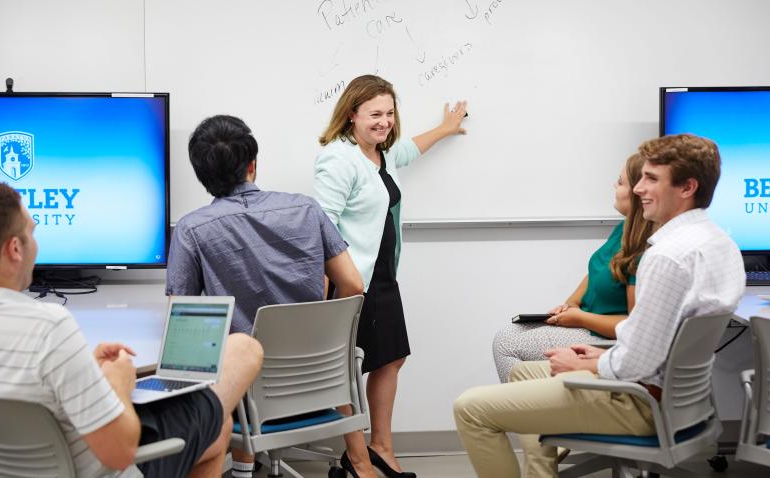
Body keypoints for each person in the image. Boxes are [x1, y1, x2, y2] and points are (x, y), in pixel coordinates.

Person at [453, 134, 746, 478]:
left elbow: (636, 362)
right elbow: (656, 340)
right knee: (520, 373)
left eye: (651, 179)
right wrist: (597, 357)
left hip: (638, 402)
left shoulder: (666, 256)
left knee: (470, 409)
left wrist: (594, 363)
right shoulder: (719, 244)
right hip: (681, 401)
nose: (638, 189)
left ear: (687, 188)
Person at [0, 181, 264, 478]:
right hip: (99, 468)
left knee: (215, 424)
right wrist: (119, 384)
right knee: (235, 377)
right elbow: (120, 453)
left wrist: (84, 368)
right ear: (15, 249)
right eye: (33, 233)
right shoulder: (50, 326)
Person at [166, 114, 365, 478]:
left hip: (247, 394)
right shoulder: (306, 209)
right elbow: (352, 285)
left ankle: (242, 469)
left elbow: (184, 323)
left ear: (202, 176)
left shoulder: (192, 230)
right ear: (252, 164)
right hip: (318, 378)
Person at [315, 74, 467, 478]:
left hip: (383, 278)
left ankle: (380, 445)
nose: (384, 121)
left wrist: (447, 128)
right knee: (345, 371)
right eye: (374, 114)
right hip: (352, 283)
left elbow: (408, 150)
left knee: (391, 358)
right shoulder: (338, 157)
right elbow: (323, 228)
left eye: (389, 112)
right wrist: (331, 291)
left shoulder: (380, 153)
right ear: (351, 115)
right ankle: (358, 459)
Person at [492, 153, 654, 382]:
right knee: (511, 333)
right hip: (585, 320)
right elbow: (598, 270)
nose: (613, 186)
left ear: (638, 193)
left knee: (506, 344)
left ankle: (527, 409)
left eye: (620, 182)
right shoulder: (624, 229)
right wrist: (570, 304)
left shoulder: (646, 248)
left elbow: (633, 327)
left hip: (601, 335)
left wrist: (580, 318)